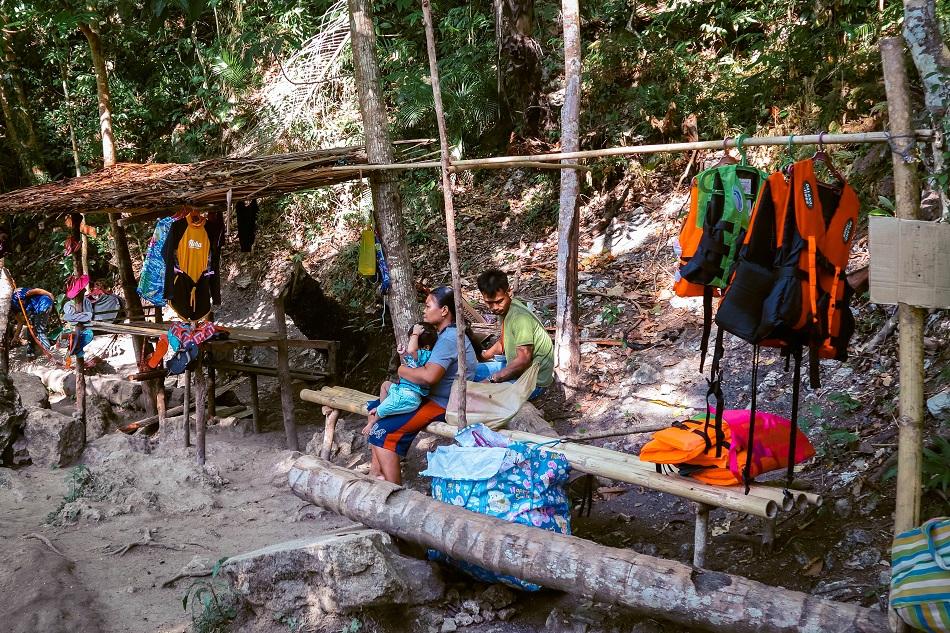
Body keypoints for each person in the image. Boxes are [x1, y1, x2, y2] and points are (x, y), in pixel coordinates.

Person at [364, 286, 478, 484]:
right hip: (431, 396)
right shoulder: (446, 335)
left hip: (444, 402)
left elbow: (429, 377)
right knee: (376, 408)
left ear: (444, 311)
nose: (424, 311)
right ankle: (377, 474)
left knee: (383, 432)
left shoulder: (449, 338)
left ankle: (394, 491)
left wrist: (401, 371)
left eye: (428, 306)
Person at [474, 268, 554, 400]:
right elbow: (502, 343)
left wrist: (492, 380)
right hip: (518, 369)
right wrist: (483, 356)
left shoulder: (520, 318)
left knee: (481, 396)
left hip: (533, 382)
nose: (494, 307)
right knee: (470, 371)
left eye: (499, 301)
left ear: (509, 291)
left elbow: (523, 359)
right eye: (489, 303)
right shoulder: (506, 310)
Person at [363, 322, 438, 431]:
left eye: (413, 340)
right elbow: (411, 361)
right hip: (401, 391)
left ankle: (374, 421)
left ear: (426, 347)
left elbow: (413, 350)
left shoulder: (427, 355)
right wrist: (403, 354)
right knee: (385, 385)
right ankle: (382, 407)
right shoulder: (419, 356)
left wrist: (415, 334)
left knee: (383, 408)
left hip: (410, 397)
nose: (410, 344)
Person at [11, 287, 55, 357]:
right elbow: (20, 322)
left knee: (39, 330)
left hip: (43, 304)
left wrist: (49, 294)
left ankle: (48, 353)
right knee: (31, 328)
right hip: (36, 309)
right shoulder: (12, 305)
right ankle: (31, 353)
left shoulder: (16, 295)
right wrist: (15, 337)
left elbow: (35, 291)